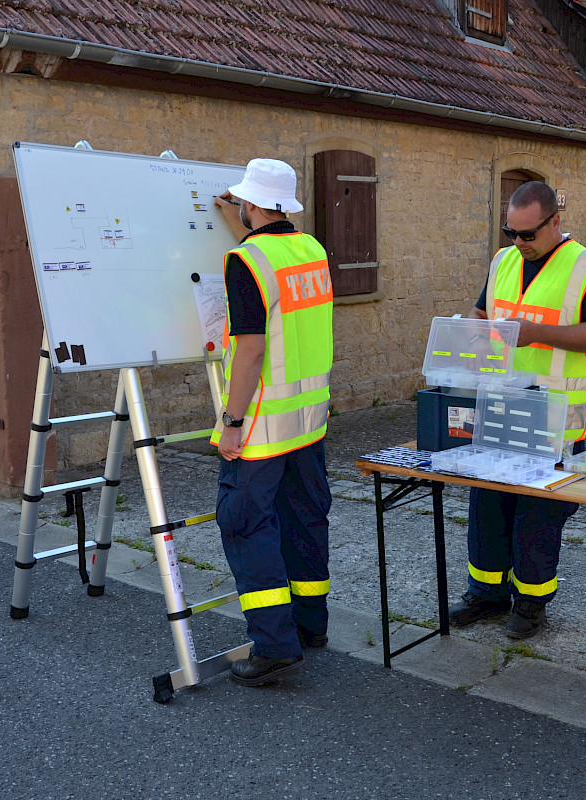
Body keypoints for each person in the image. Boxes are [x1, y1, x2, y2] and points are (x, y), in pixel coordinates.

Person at [448, 181, 586, 639]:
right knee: (488, 502)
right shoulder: (503, 260)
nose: (518, 243)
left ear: (555, 222)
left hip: (556, 414)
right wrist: (467, 329)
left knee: (537, 514)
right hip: (498, 401)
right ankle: (485, 594)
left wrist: (538, 333)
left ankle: (531, 604)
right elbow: (483, 313)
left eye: (528, 235)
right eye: (511, 232)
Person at [210, 158, 334, 687]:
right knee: (305, 517)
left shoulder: (245, 261)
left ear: (251, 204)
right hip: (309, 421)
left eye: (242, 201)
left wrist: (231, 420)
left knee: (244, 522)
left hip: (263, 425)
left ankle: (273, 645)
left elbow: (252, 349)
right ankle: (309, 627)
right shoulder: (311, 250)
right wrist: (243, 222)